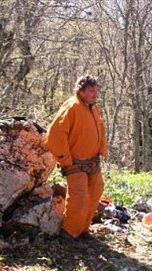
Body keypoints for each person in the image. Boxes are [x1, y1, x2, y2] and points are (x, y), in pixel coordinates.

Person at [45, 75, 108, 239]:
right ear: (81, 91)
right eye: (91, 90)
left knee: (95, 193)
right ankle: (69, 233)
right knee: (78, 199)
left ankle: (83, 230)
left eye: (96, 90)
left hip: (92, 162)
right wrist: (65, 159)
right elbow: (55, 135)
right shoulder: (71, 107)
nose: (95, 94)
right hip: (75, 164)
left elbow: (100, 129)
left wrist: (102, 150)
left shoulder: (93, 108)